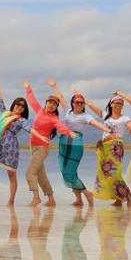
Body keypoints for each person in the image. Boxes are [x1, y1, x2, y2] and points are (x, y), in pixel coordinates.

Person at [0, 82, 49, 207]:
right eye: (18, 104)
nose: (20, 107)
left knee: (11, 176)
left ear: (24, 110)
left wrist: (41, 137)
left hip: (10, 149)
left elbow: (30, 129)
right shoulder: (5, 113)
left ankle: (11, 201)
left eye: (23, 106)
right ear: (14, 105)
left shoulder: (21, 120)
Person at [46, 79, 111, 208]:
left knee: (68, 172)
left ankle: (87, 193)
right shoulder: (68, 111)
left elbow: (97, 124)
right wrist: (54, 86)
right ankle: (78, 199)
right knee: (68, 172)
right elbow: (61, 97)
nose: (79, 104)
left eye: (81, 103)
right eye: (76, 102)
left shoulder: (86, 116)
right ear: (73, 103)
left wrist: (108, 130)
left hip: (75, 145)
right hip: (63, 143)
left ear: (84, 104)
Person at [90, 94, 131, 206]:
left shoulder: (124, 118)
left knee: (114, 173)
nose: (118, 105)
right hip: (104, 147)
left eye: (121, 103)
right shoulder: (105, 115)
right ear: (111, 104)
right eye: (116, 103)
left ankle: (128, 195)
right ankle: (119, 198)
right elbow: (92, 105)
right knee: (105, 173)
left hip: (116, 147)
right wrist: (82, 98)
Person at [23, 81, 74, 207]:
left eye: (54, 104)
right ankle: (51, 199)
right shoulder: (39, 110)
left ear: (56, 107)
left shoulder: (53, 118)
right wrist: (28, 88)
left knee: (30, 172)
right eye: (50, 102)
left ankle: (36, 198)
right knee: (40, 175)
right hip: (33, 146)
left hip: (42, 148)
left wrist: (68, 132)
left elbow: (60, 127)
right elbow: (32, 100)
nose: (51, 105)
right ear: (46, 103)